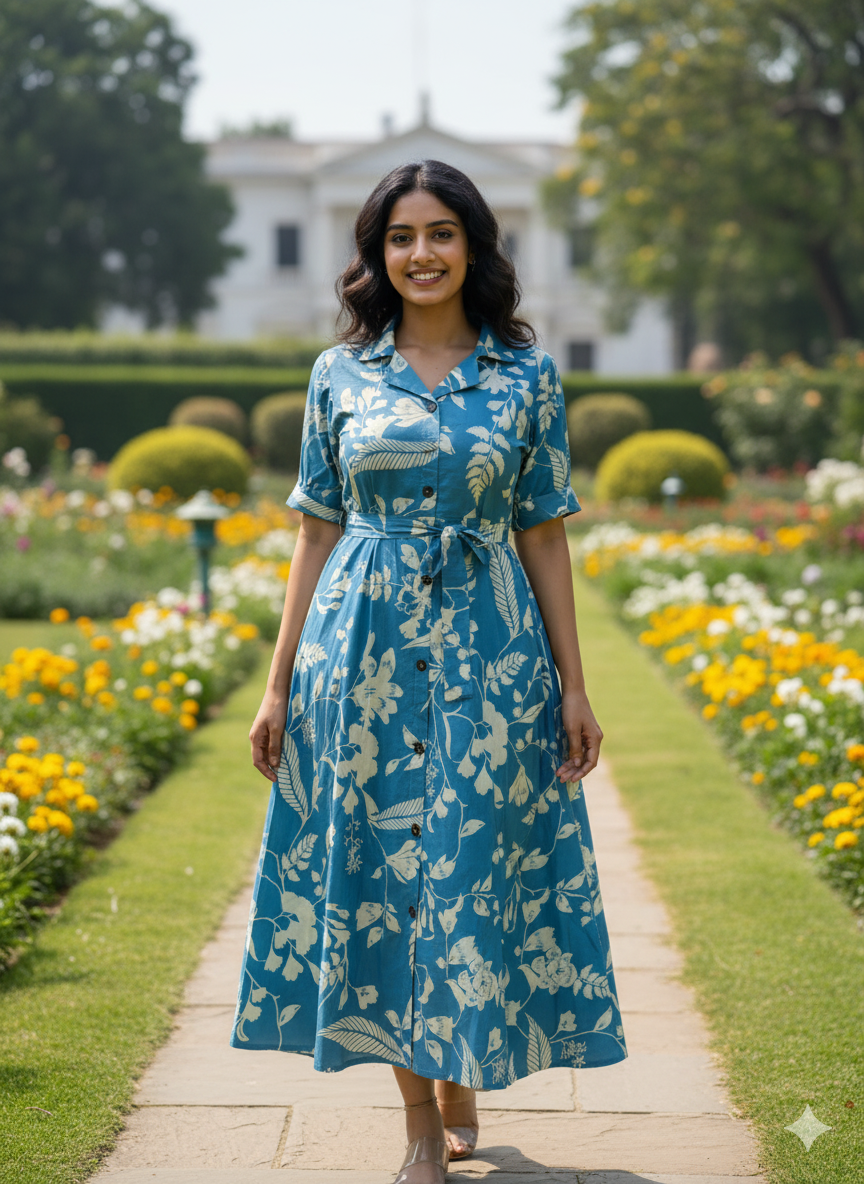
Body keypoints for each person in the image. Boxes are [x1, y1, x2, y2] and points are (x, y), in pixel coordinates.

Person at [231, 159, 628, 1184]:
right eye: (400, 236)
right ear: (376, 252)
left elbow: (543, 530)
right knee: (382, 868)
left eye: (441, 232)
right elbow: (315, 531)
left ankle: (461, 1074)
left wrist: (573, 685)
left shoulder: (526, 375)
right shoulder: (340, 373)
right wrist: (278, 684)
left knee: (467, 858)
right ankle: (419, 1118)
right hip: (358, 651)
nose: (420, 253)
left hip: (492, 658)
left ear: (474, 245)